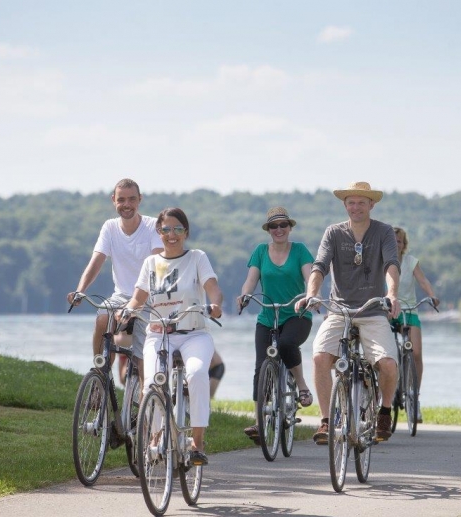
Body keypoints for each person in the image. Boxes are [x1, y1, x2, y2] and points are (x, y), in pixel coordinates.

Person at [296, 181, 401, 444]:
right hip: (339, 310)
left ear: (371, 205)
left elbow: (391, 264)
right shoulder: (333, 233)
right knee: (320, 358)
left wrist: (392, 294)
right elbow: (319, 266)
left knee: (388, 363)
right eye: (351, 202)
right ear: (345, 205)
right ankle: (326, 421)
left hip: (372, 309)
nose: (356, 207)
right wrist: (312, 294)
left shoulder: (384, 232)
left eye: (361, 203)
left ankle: (385, 411)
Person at [123, 207, 223, 465]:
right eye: (165, 229)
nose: (171, 234)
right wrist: (127, 312)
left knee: (198, 374)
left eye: (177, 229)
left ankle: (197, 443)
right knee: (151, 386)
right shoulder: (150, 263)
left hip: (194, 334)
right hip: (158, 334)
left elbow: (213, 289)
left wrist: (215, 305)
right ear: (159, 232)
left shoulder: (197, 258)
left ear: (185, 232)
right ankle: (155, 437)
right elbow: (138, 297)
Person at [67, 178, 163, 376]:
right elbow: (96, 261)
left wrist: (136, 303)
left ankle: (143, 397)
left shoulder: (153, 226)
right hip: (120, 296)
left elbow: (156, 265)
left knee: (142, 357)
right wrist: (80, 290)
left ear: (140, 200)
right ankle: (100, 373)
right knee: (102, 317)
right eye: (121, 200)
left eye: (132, 199)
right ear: (113, 200)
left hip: (148, 298)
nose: (126, 205)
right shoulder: (110, 227)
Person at [237, 207, 314, 442]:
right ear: (268, 230)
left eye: (283, 225)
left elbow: (311, 276)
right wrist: (245, 295)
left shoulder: (300, 250)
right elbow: (250, 280)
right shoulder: (260, 252)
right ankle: (260, 422)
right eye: (274, 226)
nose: (279, 229)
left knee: (286, 343)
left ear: (290, 227)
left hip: (296, 314)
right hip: (268, 316)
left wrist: (310, 295)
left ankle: (301, 385)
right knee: (261, 368)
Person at [392, 227, 440, 422]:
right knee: (385, 353)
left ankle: (414, 396)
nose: (396, 244)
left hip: (409, 310)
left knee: (417, 353)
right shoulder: (381, 260)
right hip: (388, 310)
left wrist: (432, 295)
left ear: (404, 245)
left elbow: (423, 281)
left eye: (400, 241)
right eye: (393, 240)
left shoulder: (411, 262)